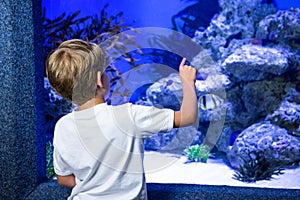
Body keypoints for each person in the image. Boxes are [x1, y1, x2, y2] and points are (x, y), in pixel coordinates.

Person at [46, 39, 197, 200]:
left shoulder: (63, 127)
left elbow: (64, 179)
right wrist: (187, 82)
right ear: (99, 80)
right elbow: (187, 117)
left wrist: (95, 183)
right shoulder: (128, 116)